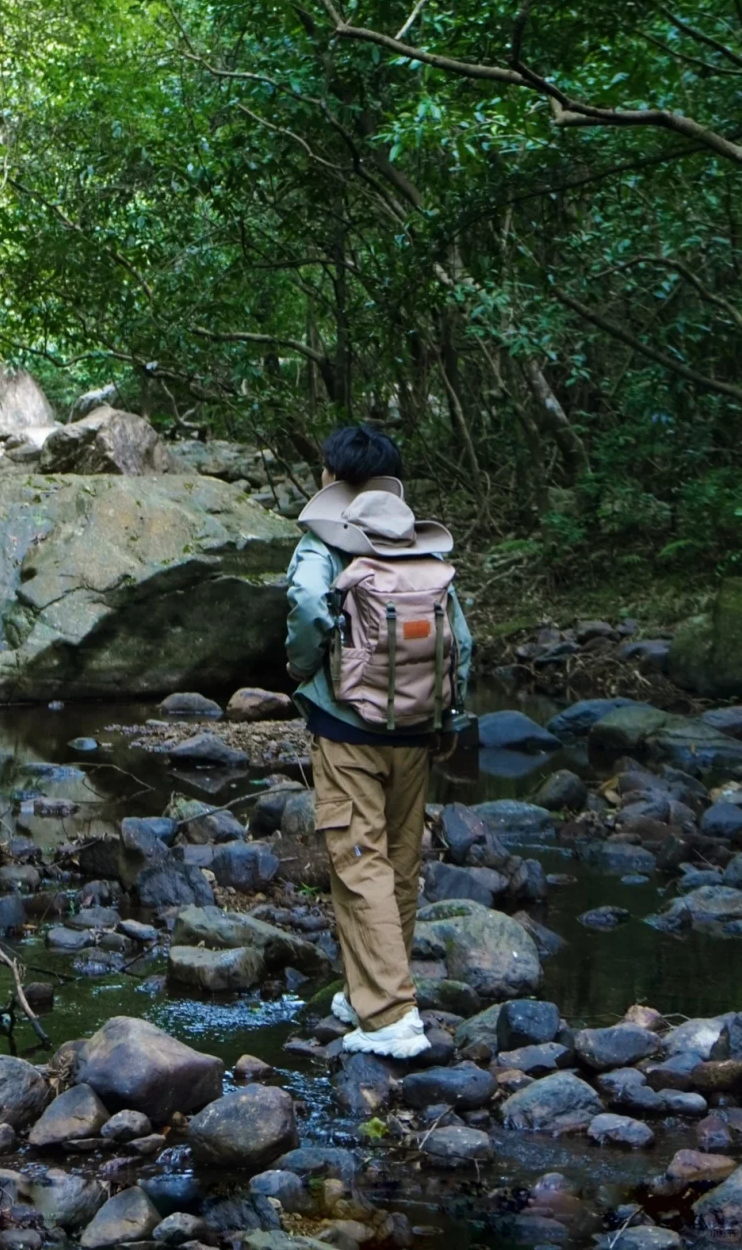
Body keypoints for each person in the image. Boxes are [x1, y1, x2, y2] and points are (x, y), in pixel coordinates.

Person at [286, 424, 472, 1058]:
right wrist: (450, 718)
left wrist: (303, 670)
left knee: (357, 858)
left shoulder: (323, 546)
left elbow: (310, 610)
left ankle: (392, 1015)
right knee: (397, 859)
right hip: (418, 727)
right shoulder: (422, 549)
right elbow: (461, 642)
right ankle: (366, 987)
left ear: (331, 479)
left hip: (346, 728)